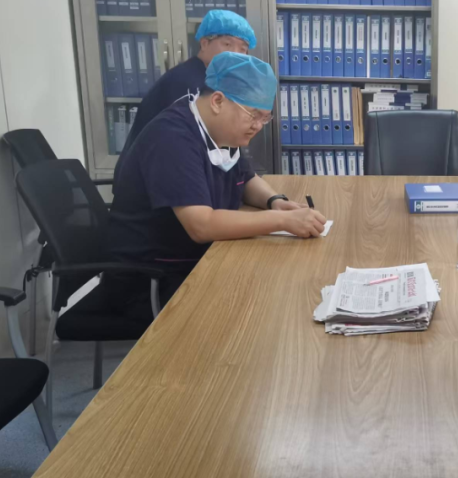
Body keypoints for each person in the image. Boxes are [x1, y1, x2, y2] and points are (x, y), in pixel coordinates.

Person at [107, 52, 326, 319]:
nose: (258, 126)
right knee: (263, 311)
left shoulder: (218, 130)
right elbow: (201, 225)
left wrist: (275, 202)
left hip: (197, 258)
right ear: (218, 101)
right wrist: (282, 221)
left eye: (265, 118)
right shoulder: (172, 138)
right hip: (151, 279)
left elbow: (245, 178)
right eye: (253, 115)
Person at [119, 9, 256, 157]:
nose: (235, 54)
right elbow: (185, 145)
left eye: (243, 49)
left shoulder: (213, 80)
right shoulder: (185, 84)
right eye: (227, 44)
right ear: (204, 43)